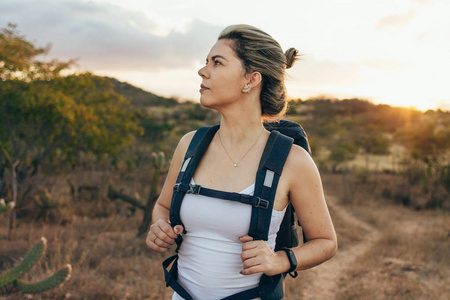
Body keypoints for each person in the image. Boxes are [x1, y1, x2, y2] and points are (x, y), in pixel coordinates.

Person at [146, 24, 337, 299]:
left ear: (251, 79)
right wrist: (160, 226)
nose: (203, 71)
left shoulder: (293, 161)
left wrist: (280, 261)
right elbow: (163, 206)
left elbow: (326, 242)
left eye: (217, 62)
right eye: (206, 62)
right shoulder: (190, 145)